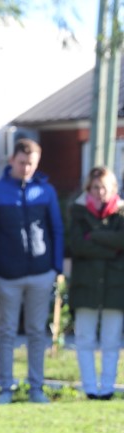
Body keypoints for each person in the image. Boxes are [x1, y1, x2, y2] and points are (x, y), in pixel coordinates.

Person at [0, 139, 64, 405]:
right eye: (22, 162)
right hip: (6, 276)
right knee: (7, 332)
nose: (26, 168)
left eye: (31, 164)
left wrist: (56, 267)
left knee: (37, 331)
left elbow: (56, 229)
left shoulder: (46, 191)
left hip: (41, 272)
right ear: (12, 160)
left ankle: (36, 387)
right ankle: (5, 388)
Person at [67, 166, 124, 400]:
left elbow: (122, 240)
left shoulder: (121, 214)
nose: (99, 192)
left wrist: (95, 236)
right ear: (88, 188)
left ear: (113, 188)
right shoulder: (78, 212)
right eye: (95, 187)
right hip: (86, 285)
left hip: (115, 286)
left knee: (111, 340)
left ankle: (107, 387)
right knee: (85, 339)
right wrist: (111, 250)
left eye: (104, 187)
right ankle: (90, 387)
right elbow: (77, 245)